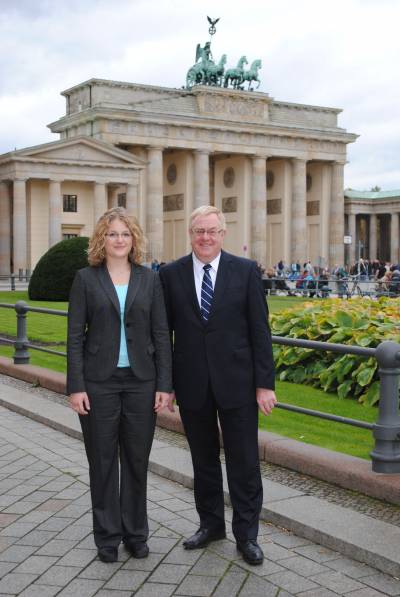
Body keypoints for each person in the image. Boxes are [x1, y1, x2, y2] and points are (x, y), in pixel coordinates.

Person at [159, 205, 276, 566]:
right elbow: (165, 335)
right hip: (192, 383)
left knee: (243, 463)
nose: (205, 237)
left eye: (212, 231)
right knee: (203, 461)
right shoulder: (171, 274)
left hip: (238, 384)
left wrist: (264, 385)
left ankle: (247, 536)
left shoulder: (245, 271)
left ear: (223, 234)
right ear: (190, 234)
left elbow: (260, 330)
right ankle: (210, 526)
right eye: (199, 231)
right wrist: (167, 385)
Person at [67, 207, 172, 563]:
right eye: (112, 233)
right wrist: (76, 386)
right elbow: (74, 338)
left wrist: (164, 384)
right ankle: (107, 537)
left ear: (134, 239)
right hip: (99, 383)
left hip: (142, 382)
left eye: (125, 234)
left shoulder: (149, 279)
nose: (119, 240)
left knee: (136, 460)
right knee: (102, 461)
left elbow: (161, 333)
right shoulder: (85, 279)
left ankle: (136, 533)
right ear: (102, 238)